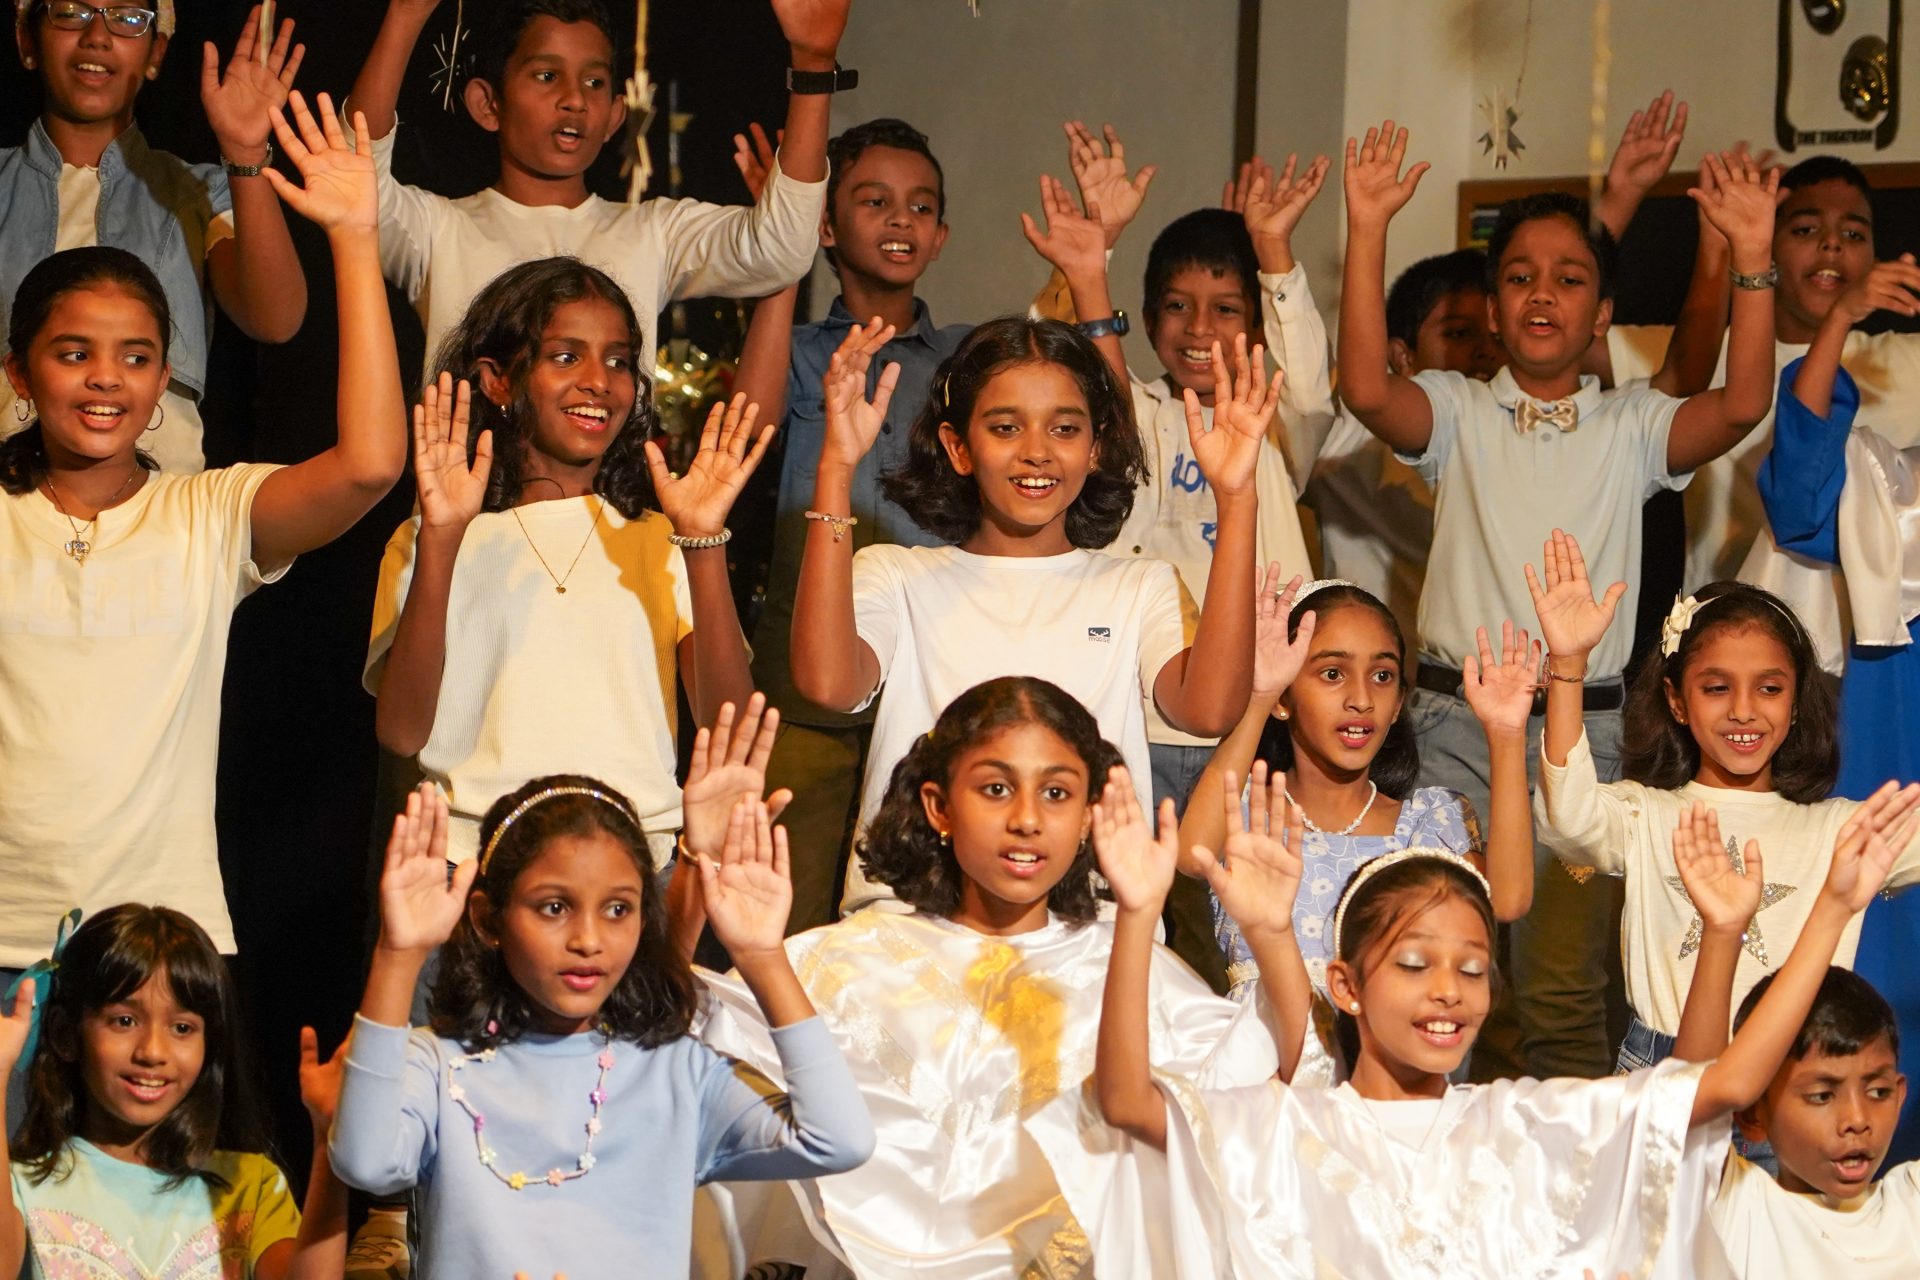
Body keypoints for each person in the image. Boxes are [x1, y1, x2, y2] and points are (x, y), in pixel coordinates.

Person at [1066, 767, 1920, 1277]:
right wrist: (1139, 914)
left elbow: (1722, 1085)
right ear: (1347, 985)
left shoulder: (1523, 1124)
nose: (1448, 991)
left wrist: (1830, 906)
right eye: (1413, 964)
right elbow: (1129, 1102)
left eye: (1474, 969)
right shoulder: (1288, 1124)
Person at [1337, 121, 1783, 1079]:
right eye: (1521, 277)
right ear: (1493, 311)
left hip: (1591, 735)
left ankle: (1567, 1209)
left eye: (1570, 278)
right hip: (1456, 724)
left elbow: (1742, 404)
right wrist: (1366, 223)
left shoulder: (1632, 424)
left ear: (1603, 314)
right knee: (1449, 971)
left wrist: (1752, 257)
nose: (1544, 293)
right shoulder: (1458, 408)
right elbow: (1369, 389)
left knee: (1567, 991)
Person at [0, 93, 405, 988]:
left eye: (138, 357)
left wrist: (354, 236)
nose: (107, 378)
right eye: (74, 353)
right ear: (18, 373)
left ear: (164, 381)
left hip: (157, 959)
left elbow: (371, 465)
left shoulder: (206, 514)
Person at [693, 678, 1282, 1276]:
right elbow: (668, 1055)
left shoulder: (1132, 966)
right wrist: (700, 863)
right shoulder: (836, 962)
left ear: (1088, 817)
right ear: (939, 806)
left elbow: (1254, 1095)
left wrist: (1272, 933)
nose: (1027, 819)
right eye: (996, 788)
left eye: (1056, 792)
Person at [792, 314, 1268, 913]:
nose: (1037, 452)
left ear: (1095, 449)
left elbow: (1209, 711)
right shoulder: (898, 575)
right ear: (958, 447)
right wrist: (836, 468)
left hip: (1086, 933)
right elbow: (828, 684)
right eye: (1006, 427)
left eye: (1064, 429)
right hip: (911, 930)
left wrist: (1237, 495)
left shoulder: (1140, 586)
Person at [328, 776, 874, 1278]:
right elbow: (364, 1159)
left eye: (617, 909)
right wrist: (398, 954)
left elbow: (839, 1140)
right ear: (488, 918)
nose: (588, 938)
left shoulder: (678, 1070)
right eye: (555, 907)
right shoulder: (439, 1060)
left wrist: (761, 955)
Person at [365, 258, 764, 868]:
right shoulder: (433, 537)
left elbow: (728, 727)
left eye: (619, 360)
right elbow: (400, 730)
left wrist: (705, 542)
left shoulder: (660, 539)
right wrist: (441, 540)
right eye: (565, 356)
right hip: (473, 861)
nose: (599, 381)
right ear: (497, 381)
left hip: (634, 864)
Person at [1528, 530, 1920, 1070]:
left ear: (1797, 700)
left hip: (1795, 1079)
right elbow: (1567, 817)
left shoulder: (1842, 829)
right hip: (1661, 1075)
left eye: (1769, 688)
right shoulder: (1646, 814)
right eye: (1716, 688)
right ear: (1677, 701)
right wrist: (1569, 665)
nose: (1743, 710)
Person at [728, 115, 971, 934]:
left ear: (941, 235)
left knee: (914, 921)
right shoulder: (794, 348)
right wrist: (780, 249)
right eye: (874, 202)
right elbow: (746, 432)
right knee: (783, 918)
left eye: (921, 206)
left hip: (931, 680)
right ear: (828, 226)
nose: (901, 220)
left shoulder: (968, 361)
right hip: (803, 691)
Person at [345, 0, 849, 375]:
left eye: (594, 83)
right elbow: (353, 172)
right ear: (487, 104)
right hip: (462, 518)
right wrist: (406, 16)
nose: (574, 100)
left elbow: (782, 248)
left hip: (610, 517)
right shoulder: (436, 230)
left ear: (614, 118)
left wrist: (813, 64)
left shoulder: (654, 232)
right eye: (546, 75)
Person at [1186, 575, 1536, 1002]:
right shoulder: (1244, 813)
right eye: (1333, 673)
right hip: (1263, 1064)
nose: (1361, 698)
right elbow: (1193, 855)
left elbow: (1508, 901)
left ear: (1398, 706)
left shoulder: (1429, 822)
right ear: (1285, 695)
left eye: (1383, 676)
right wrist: (1258, 694)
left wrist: (1505, 734)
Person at [2, 2, 309, 472]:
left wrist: (245, 153)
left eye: (126, 18)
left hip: (157, 507)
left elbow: (276, 319)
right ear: (26, 40)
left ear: (156, 53)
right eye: (71, 12)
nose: (97, 36)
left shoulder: (198, 191)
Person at [0, 905, 347, 1278]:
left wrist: (331, 1142)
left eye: (182, 1028)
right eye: (125, 1021)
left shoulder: (248, 1184)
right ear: (67, 1035)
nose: (152, 1051)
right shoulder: (21, 1184)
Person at [1710, 967, 1919, 1277]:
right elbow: (1692, 1100)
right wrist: (1722, 935)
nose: (1858, 1120)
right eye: (1822, 1096)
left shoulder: (1910, 1201)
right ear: (1754, 1115)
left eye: (1878, 1092)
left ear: (1900, 1096)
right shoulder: (1739, 1210)